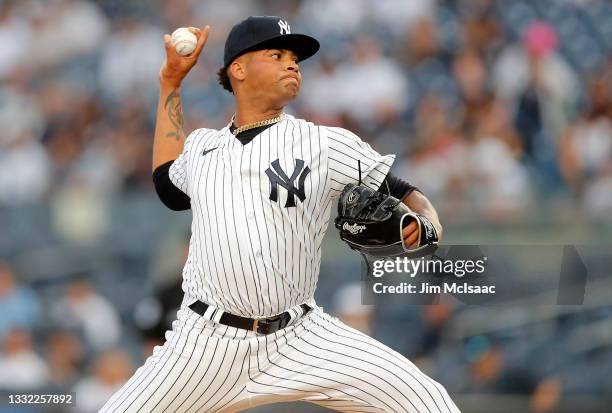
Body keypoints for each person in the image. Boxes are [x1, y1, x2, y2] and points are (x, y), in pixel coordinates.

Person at [101, 16, 460, 412]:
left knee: (428, 400)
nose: (292, 63)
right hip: (205, 343)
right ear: (238, 69)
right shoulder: (203, 147)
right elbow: (166, 184)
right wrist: (170, 83)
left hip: (302, 336)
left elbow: (408, 194)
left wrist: (429, 224)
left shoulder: (326, 143)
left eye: (294, 58)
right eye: (276, 54)